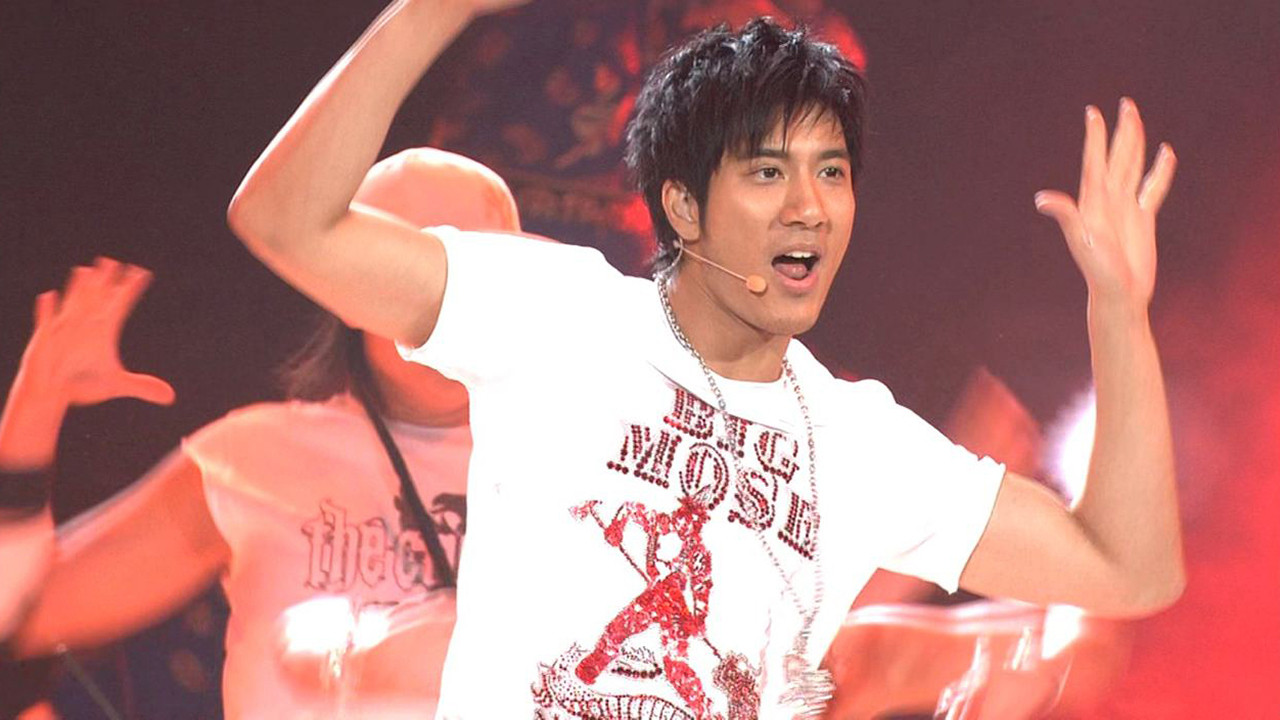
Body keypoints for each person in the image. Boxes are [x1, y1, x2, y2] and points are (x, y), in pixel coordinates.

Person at [225, 0, 1185, 716]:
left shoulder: (857, 440)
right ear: (682, 206)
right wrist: (431, 13)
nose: (809, 206)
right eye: (769, 171)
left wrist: (1119, 310)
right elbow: (284, 222)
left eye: (832, 172)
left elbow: (1128, 572)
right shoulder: (558, 315)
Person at [0, 147, 521, 719]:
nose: (445, 309)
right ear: (350, 290)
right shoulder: (257, 459)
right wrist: (35, 406)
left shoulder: (578, 461)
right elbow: (17, 618)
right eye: (410, 275)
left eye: (474, 277)